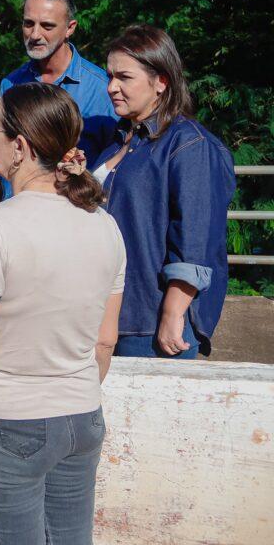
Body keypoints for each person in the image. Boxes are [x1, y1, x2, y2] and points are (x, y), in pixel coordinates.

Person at [0, 83, 126, 545]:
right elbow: (105, 340)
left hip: (12, 420)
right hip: (82, 415)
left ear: (19, 146)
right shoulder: (104, 224)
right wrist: (68, 390)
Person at [95, 25, 235, 359]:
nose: (112, 87)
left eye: (124, 77)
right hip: (105, 313)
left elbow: (196, 235)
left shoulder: (188, 144)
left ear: (161, 82)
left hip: (150, 318)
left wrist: (173, 312)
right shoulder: (119, 140)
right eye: (109, 76)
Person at [0, 0, 116, 207]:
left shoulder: (103, 89)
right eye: (28, 23)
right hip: (16, 216)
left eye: (47, 26)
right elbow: (2, 144)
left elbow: (114, 160)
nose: (35, 34)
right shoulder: (11, 83)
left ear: (70, 28)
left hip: (73, 220)